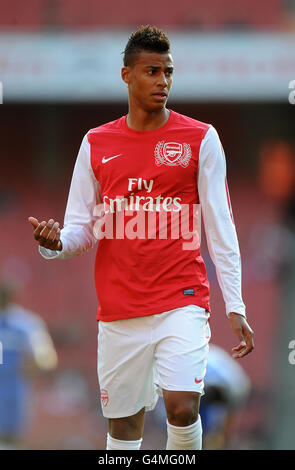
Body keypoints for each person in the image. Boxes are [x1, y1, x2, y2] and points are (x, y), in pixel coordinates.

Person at [28, 25, 254, 450]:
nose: (163, 81)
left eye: (168, 72)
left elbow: (221, 226)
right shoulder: (96, 143)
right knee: (124, 429)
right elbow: (81, 229)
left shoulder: (200, 138)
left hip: (181, 300)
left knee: (184, 408)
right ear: (126, 75)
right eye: (152, 71)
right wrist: (53, 243)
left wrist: (235, 305)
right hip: (118, 310)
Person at [0, 282, 58, 449]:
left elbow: (47, 358)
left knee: (12, 439)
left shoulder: (26, 324)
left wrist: (34, 365)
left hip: (16, 389)